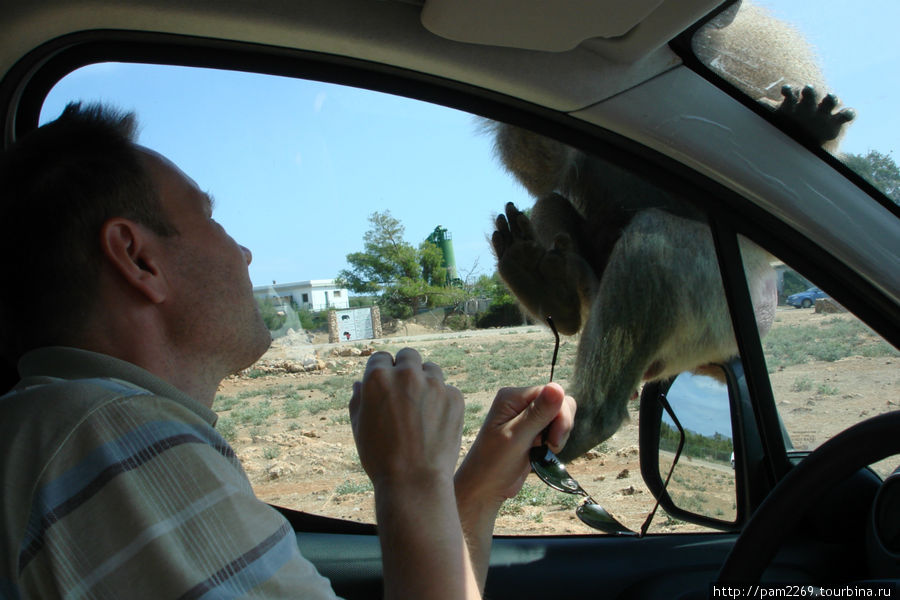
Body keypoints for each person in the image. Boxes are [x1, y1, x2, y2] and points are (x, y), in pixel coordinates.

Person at [0, 103, 575, 599]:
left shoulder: (67, 432)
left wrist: (470, 499)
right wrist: (411, 477)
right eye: (209, 215)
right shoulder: (114, 442)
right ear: (138, 257)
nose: (245, 252)